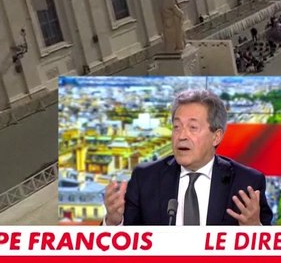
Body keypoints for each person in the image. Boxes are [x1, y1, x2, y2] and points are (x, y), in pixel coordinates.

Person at [103, 88, 272, 226]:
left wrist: (254, 229)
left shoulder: (246, 183)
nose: (181, 136)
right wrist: (113, 223)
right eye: (177, 127)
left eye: (193, 127)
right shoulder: (146, 178)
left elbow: (270, 251)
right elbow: (125, 243)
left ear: (216, 137)